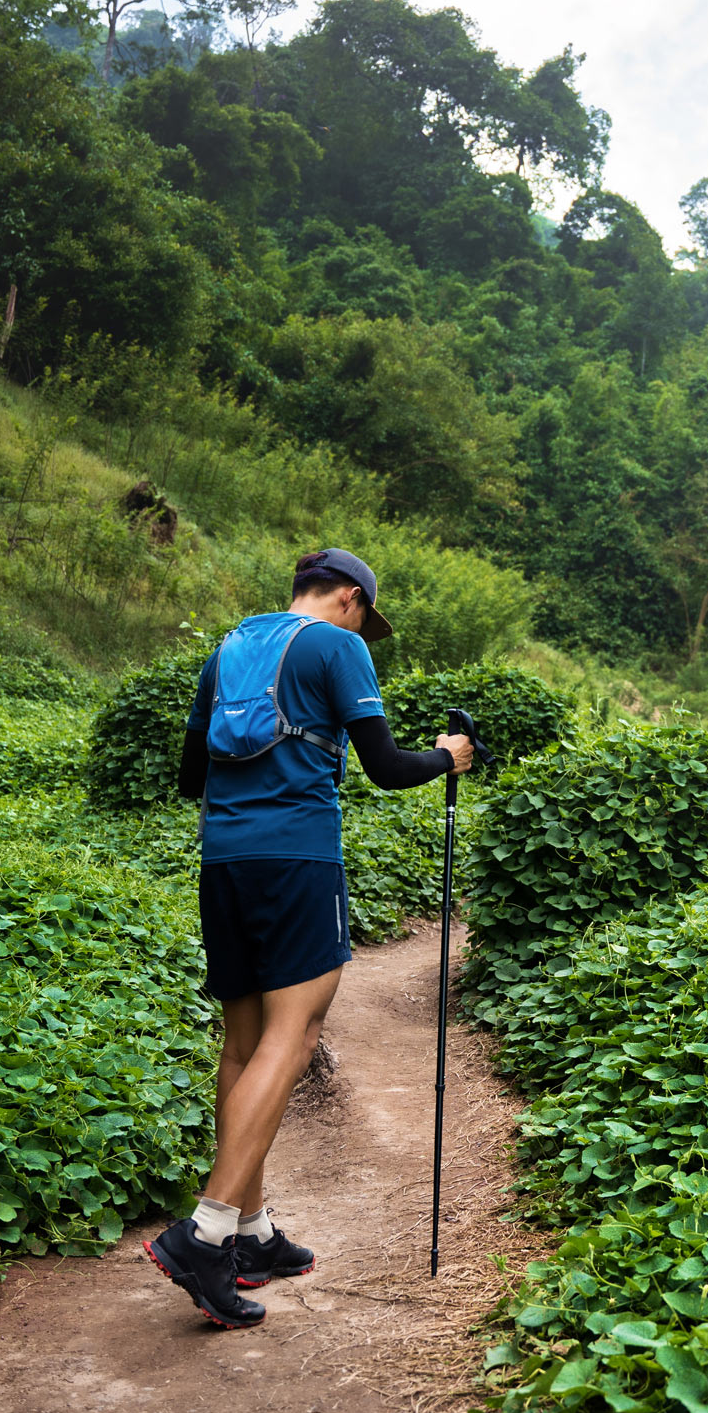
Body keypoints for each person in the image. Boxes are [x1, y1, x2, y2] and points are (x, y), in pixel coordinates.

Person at [143, 547, 474, 1328]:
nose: (367, 628)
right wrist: (449, 756)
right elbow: (386, 768)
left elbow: (193, 774)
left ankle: (251, 1237)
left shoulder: (229, 649)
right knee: (293, 1038)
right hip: (298, 859)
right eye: (369, 615)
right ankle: (207, 1232)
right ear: (351, 598)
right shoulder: (338, 645)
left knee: (242, 1042)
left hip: (224, 861)